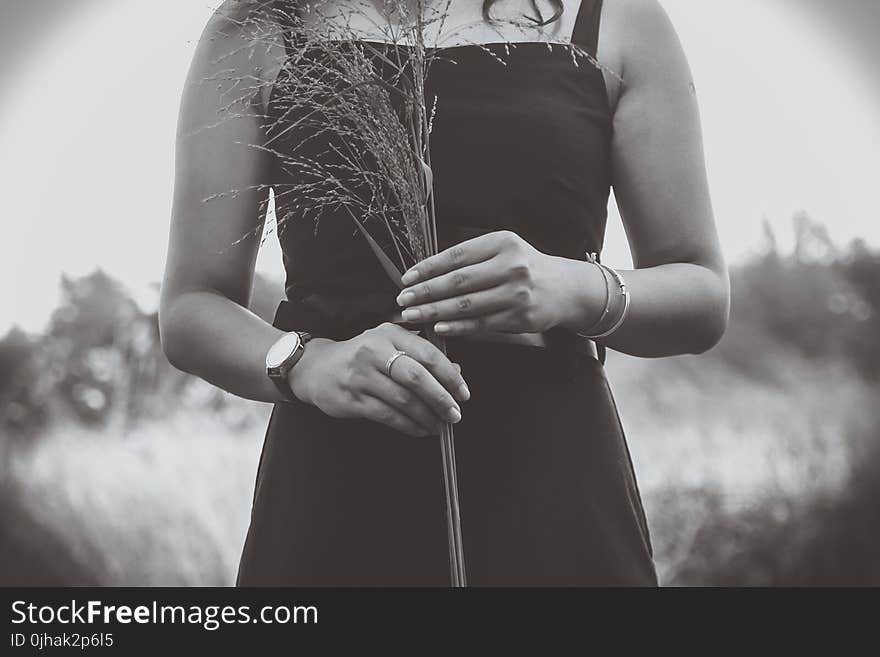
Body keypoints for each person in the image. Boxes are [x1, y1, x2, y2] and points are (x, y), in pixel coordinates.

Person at [160, 0, 729, 586]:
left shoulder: (615, 18)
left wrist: (577, 288)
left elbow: (701, 293)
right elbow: (191, 308)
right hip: (334, 488)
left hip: (554, 483)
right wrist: (306, 363)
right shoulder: (258, 25)